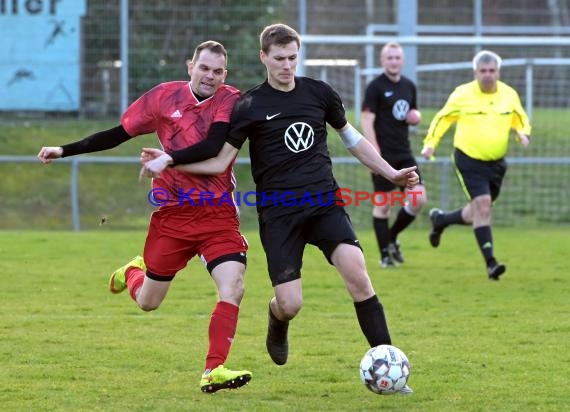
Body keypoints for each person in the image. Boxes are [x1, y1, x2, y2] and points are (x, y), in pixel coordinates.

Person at [140, 24, 418, 394]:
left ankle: (389, 369)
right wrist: (170, 161)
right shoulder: (250, 105)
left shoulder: (319, 94)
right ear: (264, 58)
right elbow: (219, 160)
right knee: (290, 303)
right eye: (280, 59)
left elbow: (352, 139)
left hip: (324, 204)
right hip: (279, 215)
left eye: (292, 58)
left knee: (358, 273)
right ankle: (277, 318)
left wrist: (391, 173)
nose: (287, 66)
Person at [37, 41, 253, 393]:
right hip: (173, 216)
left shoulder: (230, 100)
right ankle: (132, 272)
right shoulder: (163, 98)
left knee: (234, 286)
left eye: (217, 71)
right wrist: (65, 150)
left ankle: (214, 370)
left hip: (218, 214)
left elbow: (213, 147)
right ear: (190, 66)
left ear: (224, 74)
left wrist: (167, 158)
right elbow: (116, 135)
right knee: (148, 302)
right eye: (204, 68)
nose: (210, 76)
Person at [421, 50, 531, 280]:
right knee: (483, 205)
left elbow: (520, 119)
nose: (488, 76)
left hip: (497, 163)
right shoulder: (462, 94)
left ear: (498, 72)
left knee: (479, 210)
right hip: (468, 158)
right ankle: (491, 264)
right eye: (483, 71)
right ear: (475, 72)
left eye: (492, 71)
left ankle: (441, 220)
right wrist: (430, 144)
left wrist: (522, 133)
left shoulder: (509, 95)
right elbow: (443, 119)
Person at [361, 42, 427, 268]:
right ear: (382, 61)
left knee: (418, 199)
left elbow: (411, 113)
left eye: (397, 57)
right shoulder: (375, 87)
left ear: (403, 60)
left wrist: (414, 117)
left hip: (404, 154)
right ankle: (385, 256)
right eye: (389, 57)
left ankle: (391, 237)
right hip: (383, 156)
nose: (393, 61)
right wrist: (374, 154)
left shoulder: (409, 86)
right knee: (384, 205)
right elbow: (366, 121)